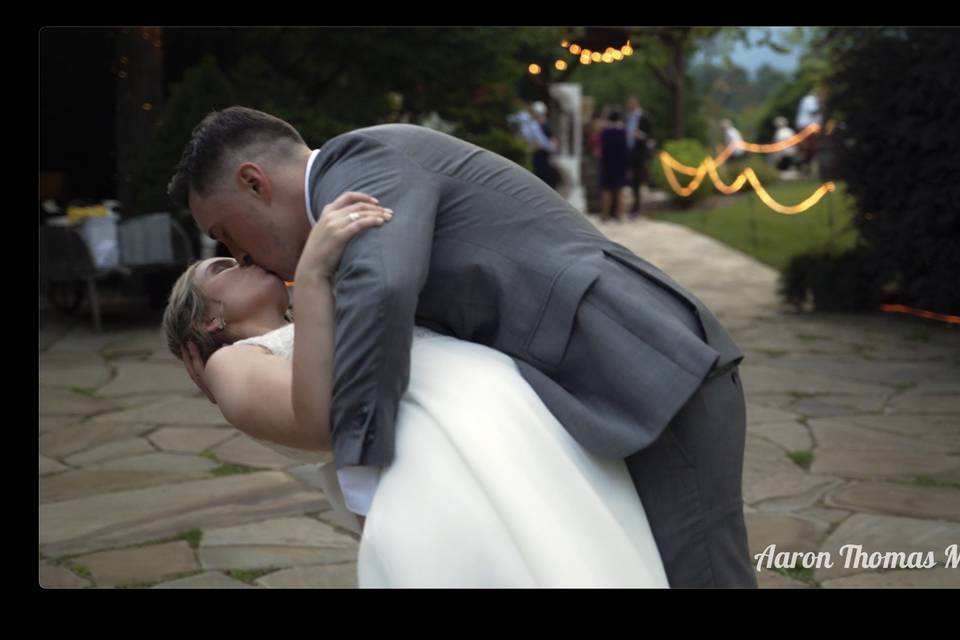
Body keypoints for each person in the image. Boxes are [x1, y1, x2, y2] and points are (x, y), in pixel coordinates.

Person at [168, 106, 756, 587]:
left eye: (225, 235)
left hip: (642, 366)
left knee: (701, 575)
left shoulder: (358, 164)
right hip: (599, 391)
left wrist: (364, 474)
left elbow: (384, 287)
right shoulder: (340, 215)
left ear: (253, 181)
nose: (240, 255)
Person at [161, 206, 669, 587]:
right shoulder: (233, 362)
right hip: (448, 467)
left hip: (513, 432)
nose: (242, 259)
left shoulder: (325, 312)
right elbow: (316, 416)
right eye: (222, 268)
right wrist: (312, 275)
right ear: (209, 319)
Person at [624, 97, 653, 216]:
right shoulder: (627, 117)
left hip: (639, 153)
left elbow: (650, 136)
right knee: (629, 181)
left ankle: (637, 207)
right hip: (628, 152)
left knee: (637, 180)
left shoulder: (645, 117)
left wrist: (640, 135)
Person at [599, 110, 629, 222]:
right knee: (619, 190)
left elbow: (602, 148)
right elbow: (626, 150)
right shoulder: (623, 132)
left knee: (606, 190)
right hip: (620, 163)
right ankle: (619, 214)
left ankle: (605, 214)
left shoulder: (605, 132)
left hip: (607, 163)